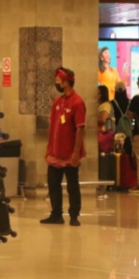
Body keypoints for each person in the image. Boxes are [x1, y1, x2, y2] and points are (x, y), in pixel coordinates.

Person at [40, 67, 85, 226]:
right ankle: (56, 214)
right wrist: (48, 149)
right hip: (54, 152)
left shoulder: (78, 102)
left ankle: (74, 215)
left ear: (66, 83)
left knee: (72, 185)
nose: (56, 84)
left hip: (69, 154)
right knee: (53, 185)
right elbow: (53, 127)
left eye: (58, 81)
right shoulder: (57, 102)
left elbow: (80, 129)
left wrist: (76, 152)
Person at [97, 85, 114, 154]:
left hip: (104, 133)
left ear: (102, 94)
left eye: (97, 93)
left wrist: (92, 121)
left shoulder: (105, 105)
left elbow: (103, 120)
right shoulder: (102, 105)